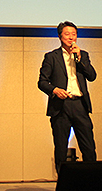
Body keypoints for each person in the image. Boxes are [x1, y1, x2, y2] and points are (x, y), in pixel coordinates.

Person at [38, 21, 97, 172]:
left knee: (89, 147)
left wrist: (79, 58)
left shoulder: (83, 55)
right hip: (61, 106)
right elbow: (42, 82)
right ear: (60, 36)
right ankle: (63, 181)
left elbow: (92, 76)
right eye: (67, 34)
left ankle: (91, 181)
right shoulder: (51, 57)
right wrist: (55, 90)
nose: (71, 37)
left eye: (74, 34)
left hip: (79, 105)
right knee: (61, 148)